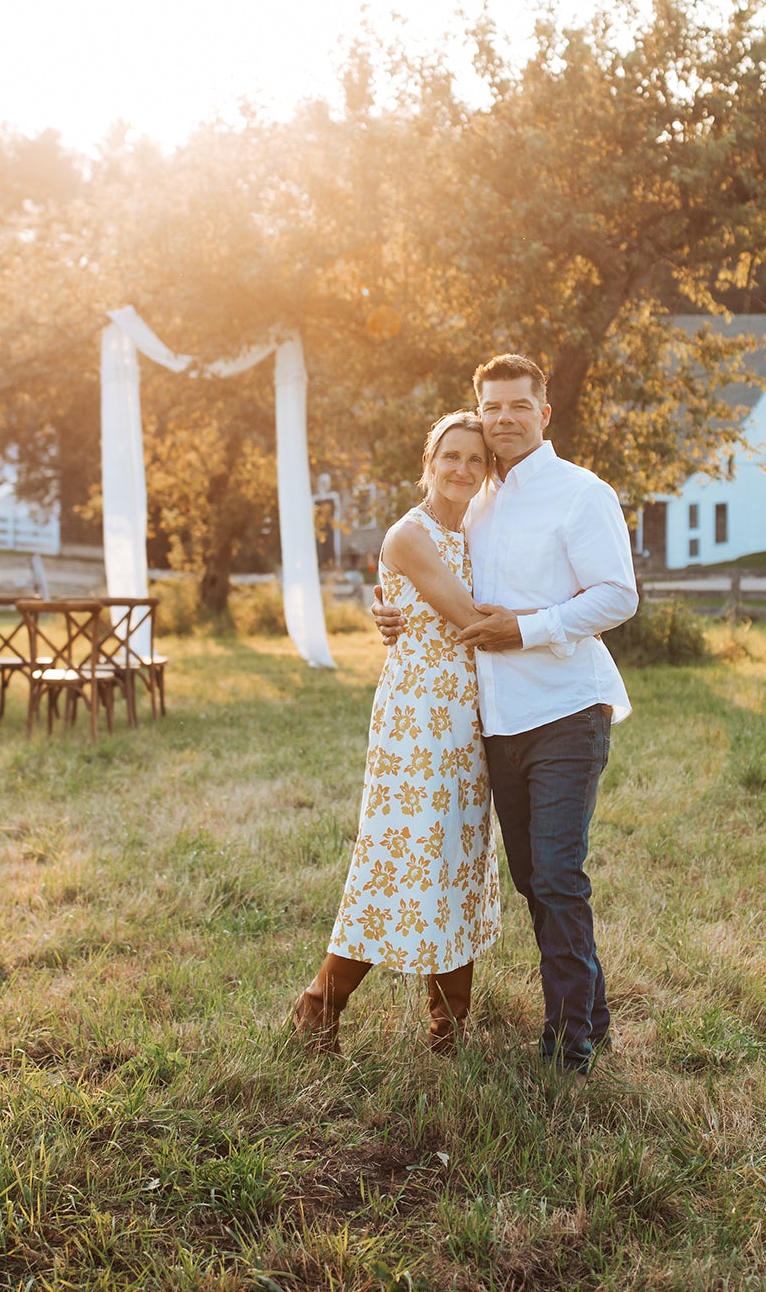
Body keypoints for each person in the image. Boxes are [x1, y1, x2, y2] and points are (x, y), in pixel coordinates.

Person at [373, 354, 638, 1072]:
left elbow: (617, 595)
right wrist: (389, 610)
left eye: (519, 405)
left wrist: (528, 628)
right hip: (493, 723)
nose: (505, 419)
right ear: (480, 411)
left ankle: (568, 1046)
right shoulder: (478, 498)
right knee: (534, 879)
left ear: (543, 413)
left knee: (556, 876)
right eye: (493, 407)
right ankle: (596, 1014)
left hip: (564, 708)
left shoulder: (583, 493)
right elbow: (432, 565)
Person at [293, 410, 505, 1052]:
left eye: (476, 459)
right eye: (451, 456)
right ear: (430, 463)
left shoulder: (478, 528)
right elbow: (469, 616)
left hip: (471, 713)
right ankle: (318, 1007)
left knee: (457, 861)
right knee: (399, 861)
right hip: (420, 717)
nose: (463, 469)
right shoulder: (409, 535)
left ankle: (448, 1027)